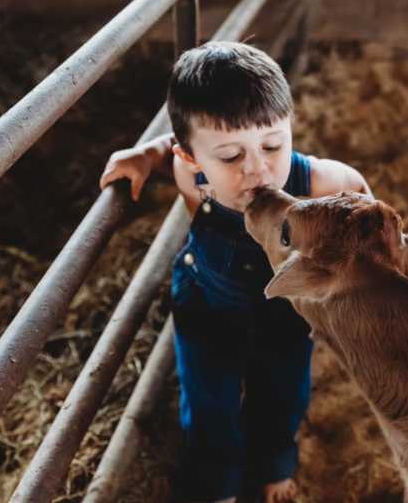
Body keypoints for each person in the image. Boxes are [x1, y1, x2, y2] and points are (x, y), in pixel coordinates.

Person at [99, 41, 370, 503]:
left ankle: (274, 466)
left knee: (283, 398)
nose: (257, 169)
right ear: (195, 160)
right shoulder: (188, 175)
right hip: (207, 307)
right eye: (229, 156)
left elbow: (363, 197)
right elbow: (170, 149)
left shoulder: (322, 184)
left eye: (272, 144)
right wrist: (144, 156)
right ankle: (218, 486)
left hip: (285, 317)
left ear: (289, 128)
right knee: (208, 409)